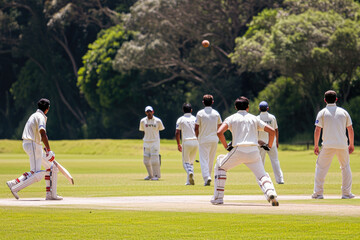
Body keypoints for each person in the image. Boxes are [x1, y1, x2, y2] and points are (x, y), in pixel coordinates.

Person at [211, 96, 279, 206]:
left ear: (235, 107)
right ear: (248, 107)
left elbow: (219, 132)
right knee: (262, 175)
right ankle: (271, 193)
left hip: (238, 150)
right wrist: (268, 145)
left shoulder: (231, 118)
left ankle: (218, 198)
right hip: (254, 151)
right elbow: (272, 132)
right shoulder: (254, 118)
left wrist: (226, 146)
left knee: (220, 166)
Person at [6, 98, 62, 200]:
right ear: (47, 108)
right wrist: (49, 150)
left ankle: (50, 194)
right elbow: (43, 133)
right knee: (37, 174)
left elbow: (39, 134)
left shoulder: (34, 115)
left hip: (33, 144)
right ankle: (15, 186)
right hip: (32, 144)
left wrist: (43, 147)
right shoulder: (40, 116)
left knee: (51, 167)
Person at [312, 90, 355, 199]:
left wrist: (316, 145)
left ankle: (318, 193)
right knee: (345, 167)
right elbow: (350, 129)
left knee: (321, 168)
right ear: (336, 99)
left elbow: (317, 130)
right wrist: (351, 144)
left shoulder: (322, 112)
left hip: (327, 145)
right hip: (342, 145)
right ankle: (346, 193)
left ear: (325, 100)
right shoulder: (343, 112)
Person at [195, 94, 222, 186]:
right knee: (211, 159)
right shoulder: (216, 113)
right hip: (214, 139)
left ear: (203, 102)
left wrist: (197, 137)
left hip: (203, 139)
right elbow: (220, 127)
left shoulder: (200, 113)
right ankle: (208, 177)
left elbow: (196, 127)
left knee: (203, 160)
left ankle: (207, 178)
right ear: (212, 102)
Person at [257, 101, 284, 184]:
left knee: (261, 161)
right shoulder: (272, 117)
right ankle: (280, 180)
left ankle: (260, 179)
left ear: (259, 109)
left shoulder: (257, 118)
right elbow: (276, 130)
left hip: (261, 143)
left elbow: (255, 131)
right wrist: (277, 141)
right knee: (275, 160)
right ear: (267, 108)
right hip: (271, 142)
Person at [139, 106, 165, 180]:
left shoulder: (158, 121)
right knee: (146, 161)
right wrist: (144, 139)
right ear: (145, 112)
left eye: (150, 111)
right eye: (147, 111)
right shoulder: (143, 121)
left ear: (153, 112)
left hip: (155, 142)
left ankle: (156, 176)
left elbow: (160, 129)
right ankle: (150, 175)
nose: (149, 113)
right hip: (146, 142)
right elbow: (143, 131)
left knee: (154, 160)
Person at [175, 103, 199, 185]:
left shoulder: (180, 119)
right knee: (191, 162)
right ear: (191, 110)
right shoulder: (195, 119)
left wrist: (178, 144)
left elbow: (177, 132)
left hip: (186, 142)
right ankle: (189, 182)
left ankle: (190, 172)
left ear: (183, 110)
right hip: (196, 141)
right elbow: (198, 130)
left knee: (185, 163)